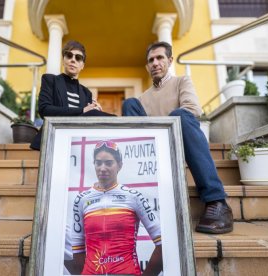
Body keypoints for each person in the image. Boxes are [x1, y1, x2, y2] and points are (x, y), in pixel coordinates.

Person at [122, 41, 233, 234]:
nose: (155, 63)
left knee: (181, 115)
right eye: (151, 60)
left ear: (170, 60)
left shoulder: (182, 82)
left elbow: (192, 110)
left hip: (182, 143)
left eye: (160, 58)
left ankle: (217, 201)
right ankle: (141, 194)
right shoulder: (141, 100)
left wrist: (166, 125)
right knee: (128, 104)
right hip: (153, 150)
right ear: (147, 66)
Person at [70, 140, 162, 275]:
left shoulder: (134, 196)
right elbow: (77, 249)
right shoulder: (81, 199)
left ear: (119, 165)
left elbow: (162, 243)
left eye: (108, 163)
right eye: (98, 163)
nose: (102, 168)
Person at [30, 41, 114, 150]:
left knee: (98, 114)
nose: (73, 60)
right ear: (63, 60)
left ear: (82, 65)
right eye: (69, 55)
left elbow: (86, 120)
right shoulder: (50, 80)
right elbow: (45, 110)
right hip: (54, 135)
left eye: (78, 58)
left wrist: (96, 111)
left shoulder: (86, 92)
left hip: (77, 140)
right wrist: (82, 110)